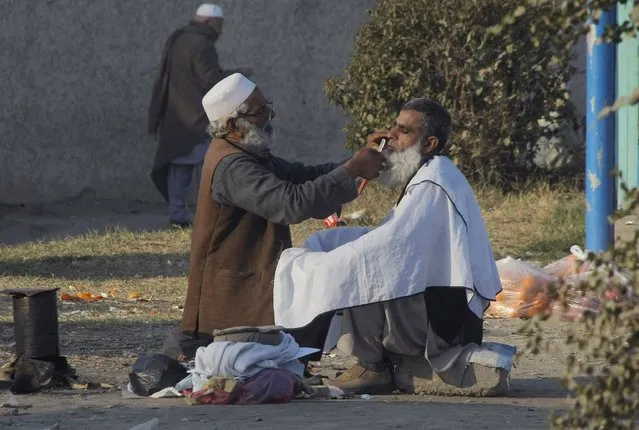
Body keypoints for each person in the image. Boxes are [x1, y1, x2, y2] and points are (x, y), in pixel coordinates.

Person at [273, 98, 509, 395]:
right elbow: (398, 239)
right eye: (393, 126)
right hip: (438, 310)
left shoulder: (434, 182)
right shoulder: (430, 173)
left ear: (429, 143)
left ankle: (374, 367)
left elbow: (391, 250)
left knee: (362, 269)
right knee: (349, 259)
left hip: (444, 324)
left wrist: (335, 261)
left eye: (403, 130)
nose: (390, 136)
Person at [163, 73, 386, 360]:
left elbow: (304, 176)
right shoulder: (232, 166)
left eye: (267, 107)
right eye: (260, 112)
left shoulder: (248, 153)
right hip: (232, 297)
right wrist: (353, 169)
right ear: (233, 125)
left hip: (252, 283)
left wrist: (357, 160)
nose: (269, 117)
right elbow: (289, 203)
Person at [148, 4, 254, 228]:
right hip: (196, 118)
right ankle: (208, 215)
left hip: (176, 117)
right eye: (219, 25)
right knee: (208, 165)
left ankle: (178, 216)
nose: (221, 31)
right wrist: (238, 75)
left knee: (180, 166)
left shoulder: (179, 39)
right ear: (208, 22)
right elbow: (210, 81)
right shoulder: (201, 44)